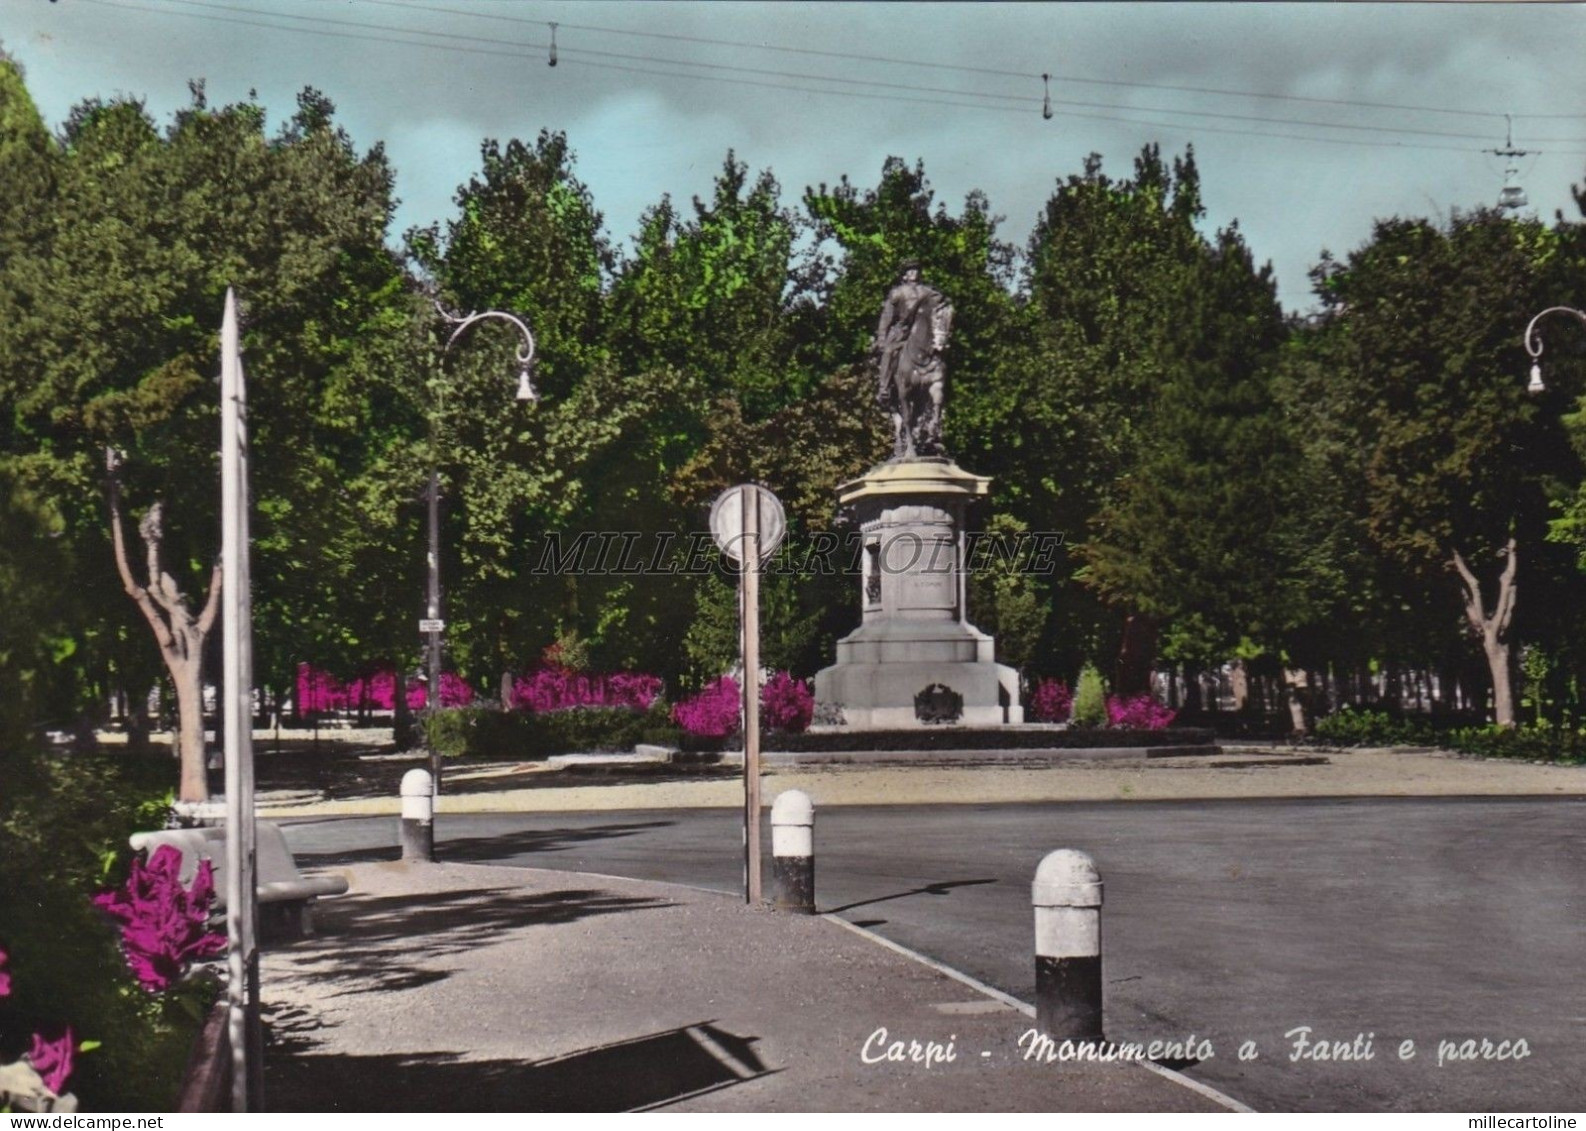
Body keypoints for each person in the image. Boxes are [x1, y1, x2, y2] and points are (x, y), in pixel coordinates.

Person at [873, 260, 953, 458]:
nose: (913, 273)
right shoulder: (897, 293)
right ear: (904, 275)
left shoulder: (927, 292)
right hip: (901, 332)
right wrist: (882, 337)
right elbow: (886, 317)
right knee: (890, 352)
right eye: (910, 270)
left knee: (940, 358)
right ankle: (884, 388)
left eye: (916, 270)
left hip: (925, 334)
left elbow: (942, 305)